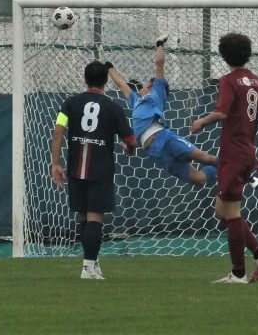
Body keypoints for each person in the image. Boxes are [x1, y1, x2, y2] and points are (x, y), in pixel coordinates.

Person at [191, 32, 258, 284]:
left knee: (231, 212)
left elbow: (220, 113)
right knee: (222, 209)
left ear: (224, 55)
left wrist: (201, 122)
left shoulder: (229, 80)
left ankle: (238, 273)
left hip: (232, 153)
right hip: (246, 152)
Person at [51, 61, 136, 280]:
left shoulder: (70, 103)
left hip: (75, 167)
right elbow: (130, 139)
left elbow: (58, 131)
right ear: (106, 81)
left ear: (85, 79)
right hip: (100, 168)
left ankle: (92, 262)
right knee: (95, 217)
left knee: (83, 217)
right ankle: (88, 268)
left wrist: (55, 163)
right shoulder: (113, 107)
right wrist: (129, 148)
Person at [107, 33, 218, 186]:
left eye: (144, 85)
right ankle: (223, 174)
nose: (140, 87)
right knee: (199, 179)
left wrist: (159, 44)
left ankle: (238, 169)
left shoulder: (156, 95)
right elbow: (121, 83)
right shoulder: (135, 101)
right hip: (155, 152)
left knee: (204, 158)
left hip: (164, 139)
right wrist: (107, 66)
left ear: (152, 87)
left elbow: (159, 63)